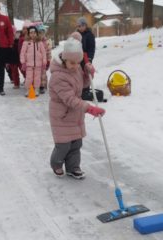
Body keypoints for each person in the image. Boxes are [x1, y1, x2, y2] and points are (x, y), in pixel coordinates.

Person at [48, 37, 105, 179]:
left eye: (78, 63)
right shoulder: (58, 76)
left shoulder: (76, 67)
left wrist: (87, 73)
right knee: (63, 145)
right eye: (72, 63)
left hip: (75, 113)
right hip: (62, 114)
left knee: (76, 143)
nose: (75, 66)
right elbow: (70, 99)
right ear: (64, 59)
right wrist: (89, 108)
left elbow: (84, 85)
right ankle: (56, 163)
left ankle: (73, 167)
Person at [20, 26, 46, 97]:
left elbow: (43, 53)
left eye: (34, 33)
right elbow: (22, 53)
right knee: (29, 77)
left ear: (36, 33)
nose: (33, 34)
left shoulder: (40, 42)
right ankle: (28, 89)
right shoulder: (26, 42)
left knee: (37, 77)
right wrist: (23, 62)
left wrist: (44, 62)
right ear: (28, 34)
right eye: (31, 33)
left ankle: (36, 89)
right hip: (29, 64)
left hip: (38, 64)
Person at [76, 17, 96, 98]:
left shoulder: (90, 35)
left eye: (81, 26)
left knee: (86, 74)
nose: (79, 28)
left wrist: (90, 58)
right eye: (78, 26)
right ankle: (79, 89)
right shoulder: (77, 34)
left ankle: (86, 90)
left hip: (86, 57)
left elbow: (92, 48)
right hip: (78, 57)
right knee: (78, 74)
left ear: (85, 25)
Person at [36, 24, 52, 94]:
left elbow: (48, 52)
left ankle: (42, 86)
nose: (41, 35)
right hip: (36, 61)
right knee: (36, 74)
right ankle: (36, 85)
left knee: (43, 74)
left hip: (44, 61)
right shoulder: (35, 41)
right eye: (39, 33)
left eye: (42, 33)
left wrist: (48, 60)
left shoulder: (46, 42)